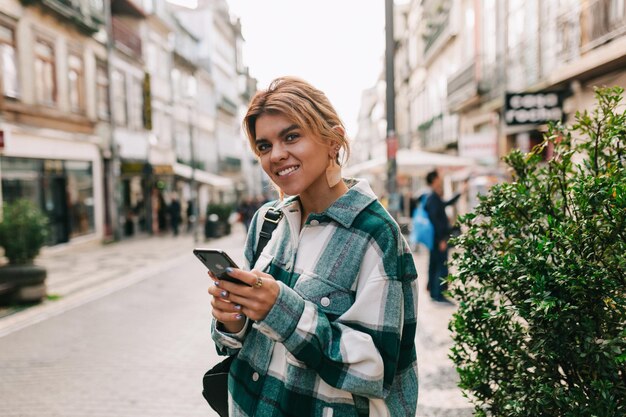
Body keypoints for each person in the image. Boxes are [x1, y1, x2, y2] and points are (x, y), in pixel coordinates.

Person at [207, 77, 419, 416]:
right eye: (264, 146)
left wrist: (280, 309)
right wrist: (231, 319)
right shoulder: (267, 221)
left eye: (291, 137)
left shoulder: (375, 234)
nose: (276, 155)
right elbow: (236, 343)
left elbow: (376, 370)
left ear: (332, 140)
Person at [424, 169, 461, 303]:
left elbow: (446, 203)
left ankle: (434, 293)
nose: (440, 179)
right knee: (441, 266)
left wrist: (459, 192)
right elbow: (435, 220)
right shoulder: (432, 197)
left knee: (435, 265)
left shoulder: (432, 196)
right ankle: (439, 294)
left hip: (435, 238)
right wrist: (442, 239)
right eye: (439, 177)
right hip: (438, 239)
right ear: (434, 179)